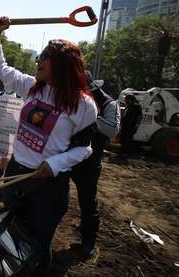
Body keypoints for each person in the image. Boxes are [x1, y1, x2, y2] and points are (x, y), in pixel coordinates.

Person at [0, 18, 97, 274]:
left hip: (48, 187)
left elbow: (85, 148)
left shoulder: (83, 105)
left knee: (38, 245)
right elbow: (0, 68)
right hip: (16, 174)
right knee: (12, 235)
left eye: (44, 57)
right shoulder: (33, 88)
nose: (38, 61)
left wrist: (55, 164)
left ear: (61, 64)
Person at [71, 72, 120, 258]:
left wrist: (89, 115)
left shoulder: (110, 104)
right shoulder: (73, 99)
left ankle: (88, 243)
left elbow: (112, 129)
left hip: (89, 164)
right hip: (68, 157)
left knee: (88, 203)